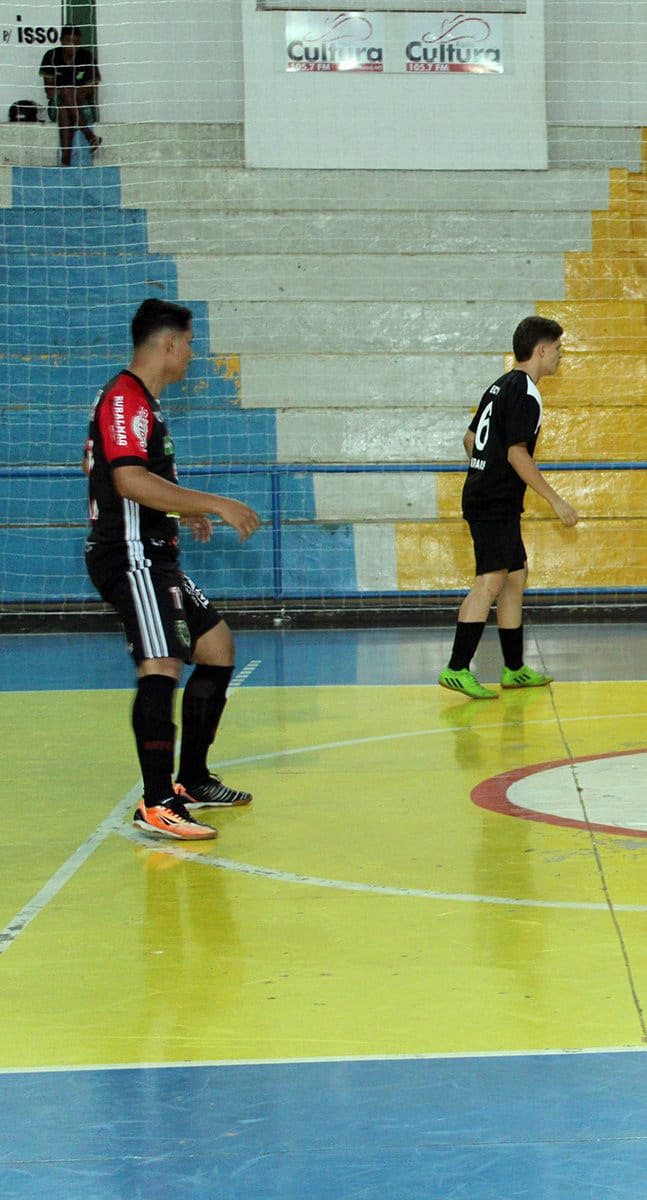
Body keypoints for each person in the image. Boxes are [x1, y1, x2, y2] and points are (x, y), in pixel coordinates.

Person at [84, 299, 261, 841]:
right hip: (131, 555)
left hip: (155, 551)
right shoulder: (124, 399)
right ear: (167, 343)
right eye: (188, 343)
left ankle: (193, 778)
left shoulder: (145, 403)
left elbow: (145, 484)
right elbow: (128, 480)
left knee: (216, 647)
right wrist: (214, 503)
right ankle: (158, 802)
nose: (191, 353)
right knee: (160, 663)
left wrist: (181, 510)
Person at [438, 316, 580, 699]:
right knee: (491, 581)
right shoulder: (527, 394)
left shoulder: (500, 385)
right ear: (542, 350)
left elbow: (470, 439)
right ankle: (457, 668)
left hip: (488, 495)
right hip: (494, 501)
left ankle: (514, 668)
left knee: (516, 576)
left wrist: (485, 471)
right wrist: (556, 500)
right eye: (558, 349)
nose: (561, 355)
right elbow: (517, 454)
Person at [39, 25, 101, 167]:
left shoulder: (86, 56)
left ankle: (65, 162)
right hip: (56, 107)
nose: (73, 45)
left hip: (84, 108)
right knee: (64, 102)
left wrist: (71, 93)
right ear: (61, 40)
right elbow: (50, 92)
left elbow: (91, 91)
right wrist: (70, 92)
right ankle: (89, 136)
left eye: (76, 42)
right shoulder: (51, 56)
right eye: (69, 41)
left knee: (66, 102)